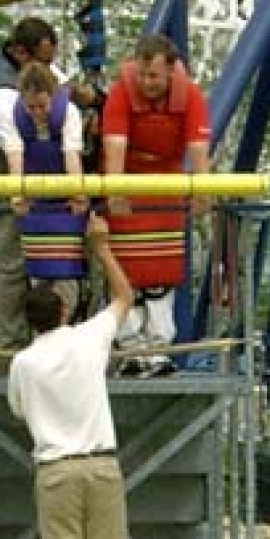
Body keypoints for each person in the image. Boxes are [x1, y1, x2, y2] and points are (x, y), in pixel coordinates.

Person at [7, 213, 136, 539]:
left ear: (28, 320)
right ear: (63, 310)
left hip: (56, 469)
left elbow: (20, 411)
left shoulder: (24, 363)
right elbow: (124, 297)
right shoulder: (87, 338)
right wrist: (101, 249)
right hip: (102, 462)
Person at [100, 33, 211, 367]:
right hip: (128, 182)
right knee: (124, 270)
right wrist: (116, 190)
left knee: (163, 272)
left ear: (171, 72)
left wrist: (203, 190)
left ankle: (160, 345)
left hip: (165, 187)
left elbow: (198, 147)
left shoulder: (189, 94)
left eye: (155, 76)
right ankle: (130, 346)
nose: (148, 82)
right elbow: (115, 144)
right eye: (143, 75)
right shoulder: (121, 91)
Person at [0, 16, 58, 350]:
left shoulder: (32, 77)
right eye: (44, 61)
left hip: (37, 183)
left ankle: (45, 344)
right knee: (13, 266)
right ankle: (11, 348)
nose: (49, 69)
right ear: (22, 53)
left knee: (47, 263)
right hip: (4, 181)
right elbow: (17, 147)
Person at [0, 61, 89, 319]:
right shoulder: (13, 116)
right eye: (31, 108)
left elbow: (71, 155)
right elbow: (15, 157)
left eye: (42, 106)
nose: (37, 113)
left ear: (52, 96)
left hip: (65, 205)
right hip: (35, 205)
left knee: (68, 273)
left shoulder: (68, 113)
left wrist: (78, 195)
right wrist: (18, 196)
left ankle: (69, 317)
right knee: (37, 273)